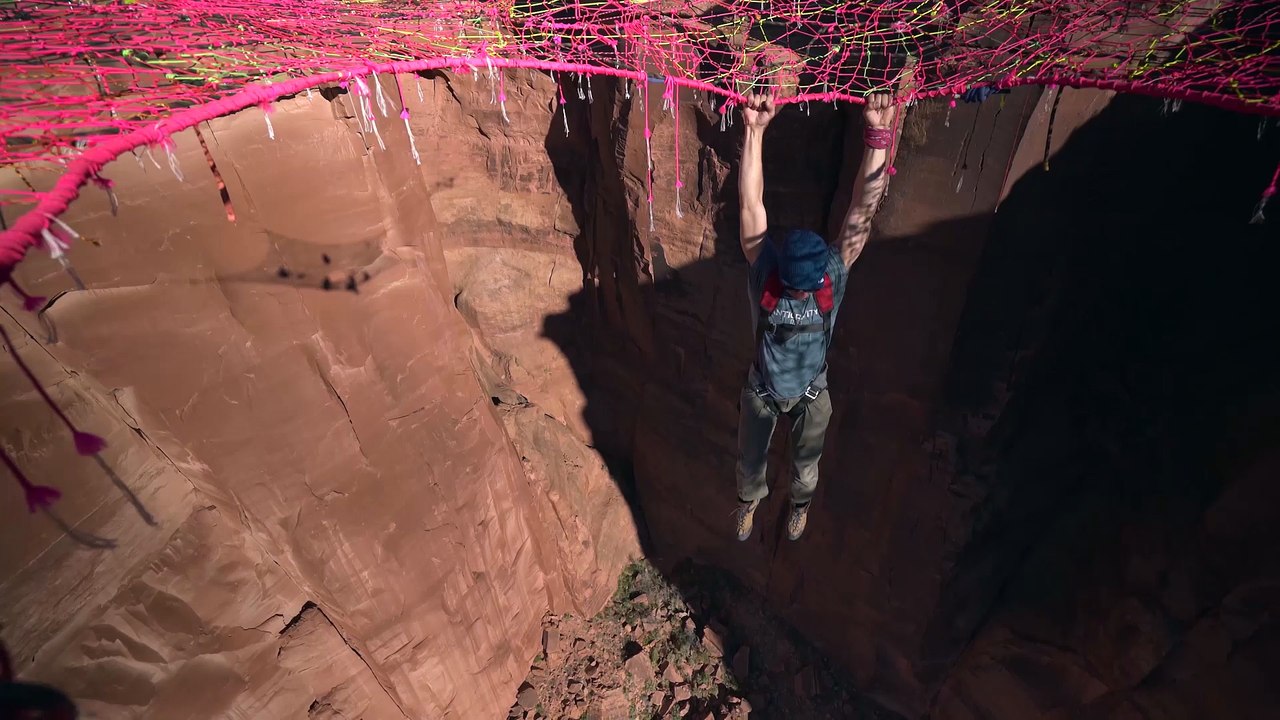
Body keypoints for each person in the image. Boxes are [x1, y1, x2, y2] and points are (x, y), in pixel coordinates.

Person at [734, 86, 904, 542]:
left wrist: (878, 136)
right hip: (766, 389)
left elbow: (860, 213)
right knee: (751, 462)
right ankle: (751, 501)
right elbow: (856, 215)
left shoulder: (800, 273)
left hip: (809, 391)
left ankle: (798, 506)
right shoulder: (798, 273)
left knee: (806, 465)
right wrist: (754, 133)